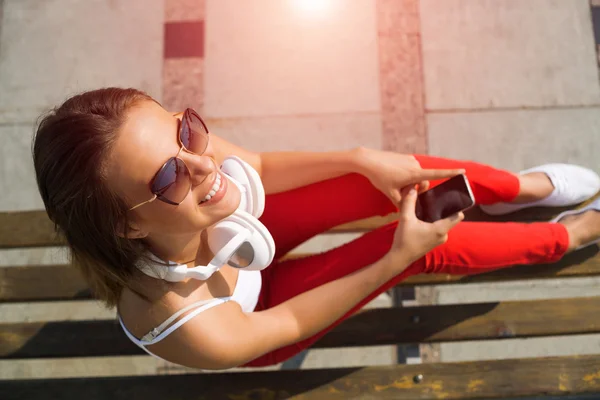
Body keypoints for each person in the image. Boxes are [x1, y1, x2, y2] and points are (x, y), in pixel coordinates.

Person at [32, 87, 600, 370]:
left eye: (183, 131)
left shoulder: (197, 168)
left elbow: (262, 166)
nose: (203, 164)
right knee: (416, 246)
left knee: (389, 177)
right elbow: (292, 320)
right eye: (165, 175)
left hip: (239, 233)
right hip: (268, 311)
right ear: (127, 227)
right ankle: (564, 237)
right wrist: (395, 258)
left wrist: (359, 158)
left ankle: (518, 191)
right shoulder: (179, 322)